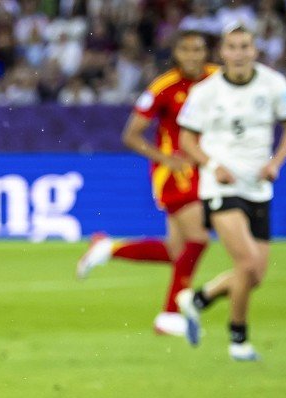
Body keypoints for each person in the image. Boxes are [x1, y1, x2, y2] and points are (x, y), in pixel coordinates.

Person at [175, 23, 286, 361]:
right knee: (246, 263)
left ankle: (197, 299)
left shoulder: (274, 84)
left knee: (255, 275)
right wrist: (211, 164)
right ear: (223, 52)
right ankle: (238, 340)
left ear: (255, 50)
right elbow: (186, 138)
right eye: (233, 46)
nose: (240, 53)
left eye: (246, 46)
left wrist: (277, 162)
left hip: (259, 187)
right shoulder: (206, 91)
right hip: (221, 186)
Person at [78, 30, 216, 337]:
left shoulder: (217, 80)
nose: (192, 56)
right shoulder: (163, 87)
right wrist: (165, 160)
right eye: (186, 50)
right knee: (199, 239)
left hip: (206, 169)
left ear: (206, 53)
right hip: (176, 172)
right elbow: (131, 134)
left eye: (198, 50)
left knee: (176, 251)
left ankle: (108, 248)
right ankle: (170, 314)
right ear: (176, 53)